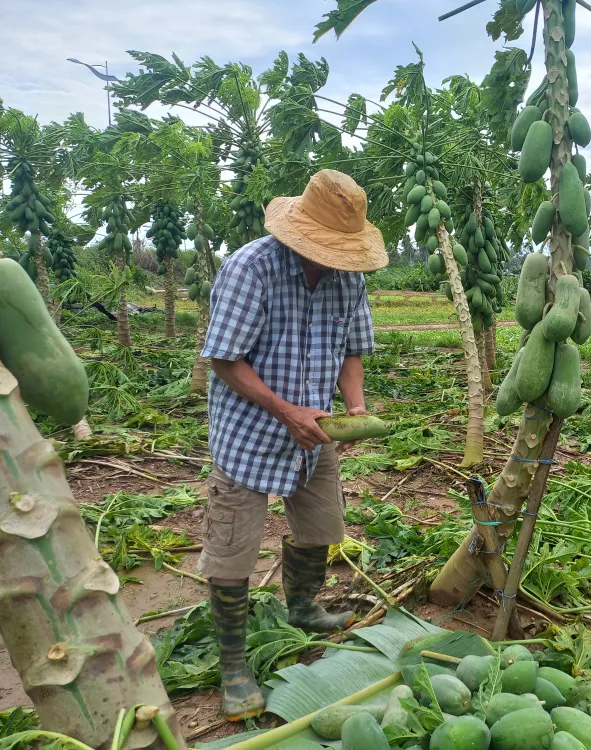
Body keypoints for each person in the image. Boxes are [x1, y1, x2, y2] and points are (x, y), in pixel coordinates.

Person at [198, 170, 388, 721]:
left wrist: (353, 408)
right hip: (249, 431)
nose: (334, 260)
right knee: (232, 551)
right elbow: (223, 358)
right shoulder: (250, 269)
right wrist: (285, 411)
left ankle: (302, 607)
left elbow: (352, 349)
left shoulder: (348, 278)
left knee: (323, 527)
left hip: (316, 429)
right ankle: (234, 665)